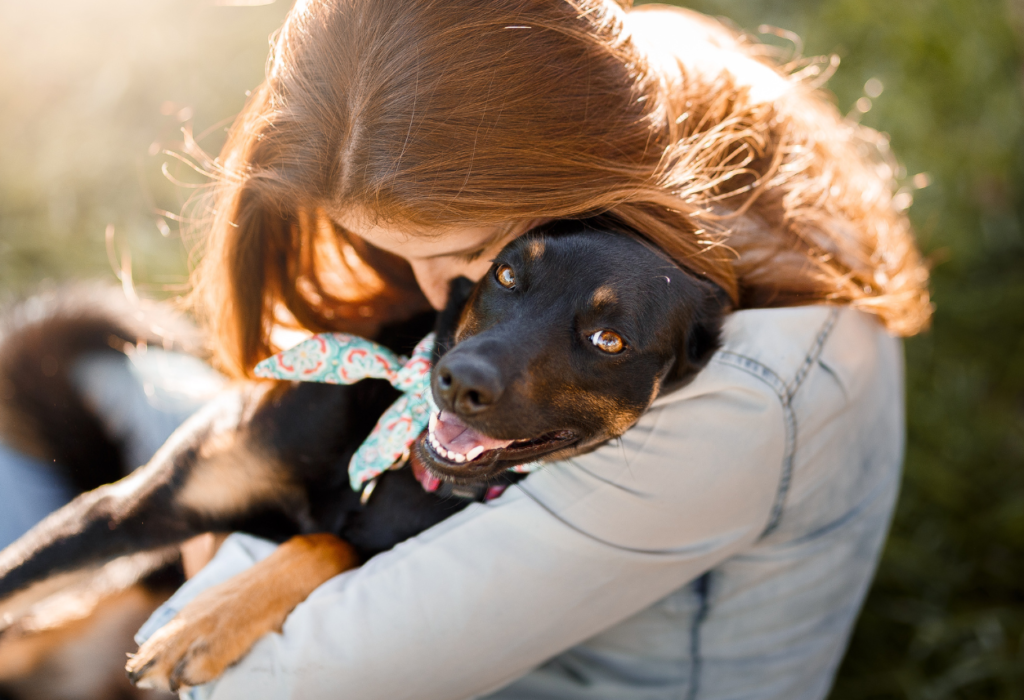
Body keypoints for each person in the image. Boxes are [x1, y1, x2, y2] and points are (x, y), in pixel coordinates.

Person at [146, 0, 932, 698]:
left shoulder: (712, 395)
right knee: (109, 389)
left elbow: (259, 683)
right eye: (391, 251)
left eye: (480, 251)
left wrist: (213, 522)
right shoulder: (640, 96)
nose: (432, 297)